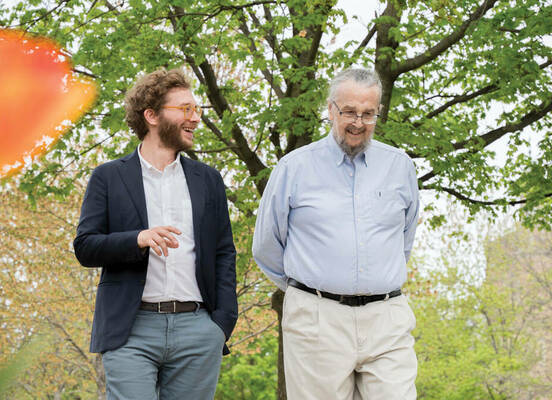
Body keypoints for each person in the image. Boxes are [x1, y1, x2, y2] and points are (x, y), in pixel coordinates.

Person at [252, 68, 420, 400]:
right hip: (316, 320)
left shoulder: (400, 166)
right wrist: (308, 291)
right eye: (349, 112)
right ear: (330, 110)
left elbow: (404, 239)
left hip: (387, 318)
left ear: (378, 113)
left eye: (368, 114)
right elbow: (266, 247)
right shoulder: (294, 167)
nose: (358, 122)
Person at [74, 69, 237, 400]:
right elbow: (85, 247)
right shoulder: (108, 177)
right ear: (151, 115)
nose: (195, 119)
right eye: (185, 109)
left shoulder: (208, 180)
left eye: (197, 109)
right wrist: (138, 239)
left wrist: (219, 325)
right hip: (130, 330)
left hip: (198, 330)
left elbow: (224, 253)